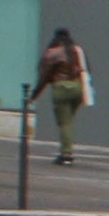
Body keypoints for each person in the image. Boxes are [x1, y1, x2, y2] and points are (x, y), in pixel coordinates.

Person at [31, 28, 89, 166]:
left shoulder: (52, 53)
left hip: (61, 88)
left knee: (64, 123)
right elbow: (86, 69)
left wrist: (34, 95)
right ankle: (66, 149)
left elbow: (44, 77)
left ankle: (66, 154)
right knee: (68, 121)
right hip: (77, 88)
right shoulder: (77, 51)